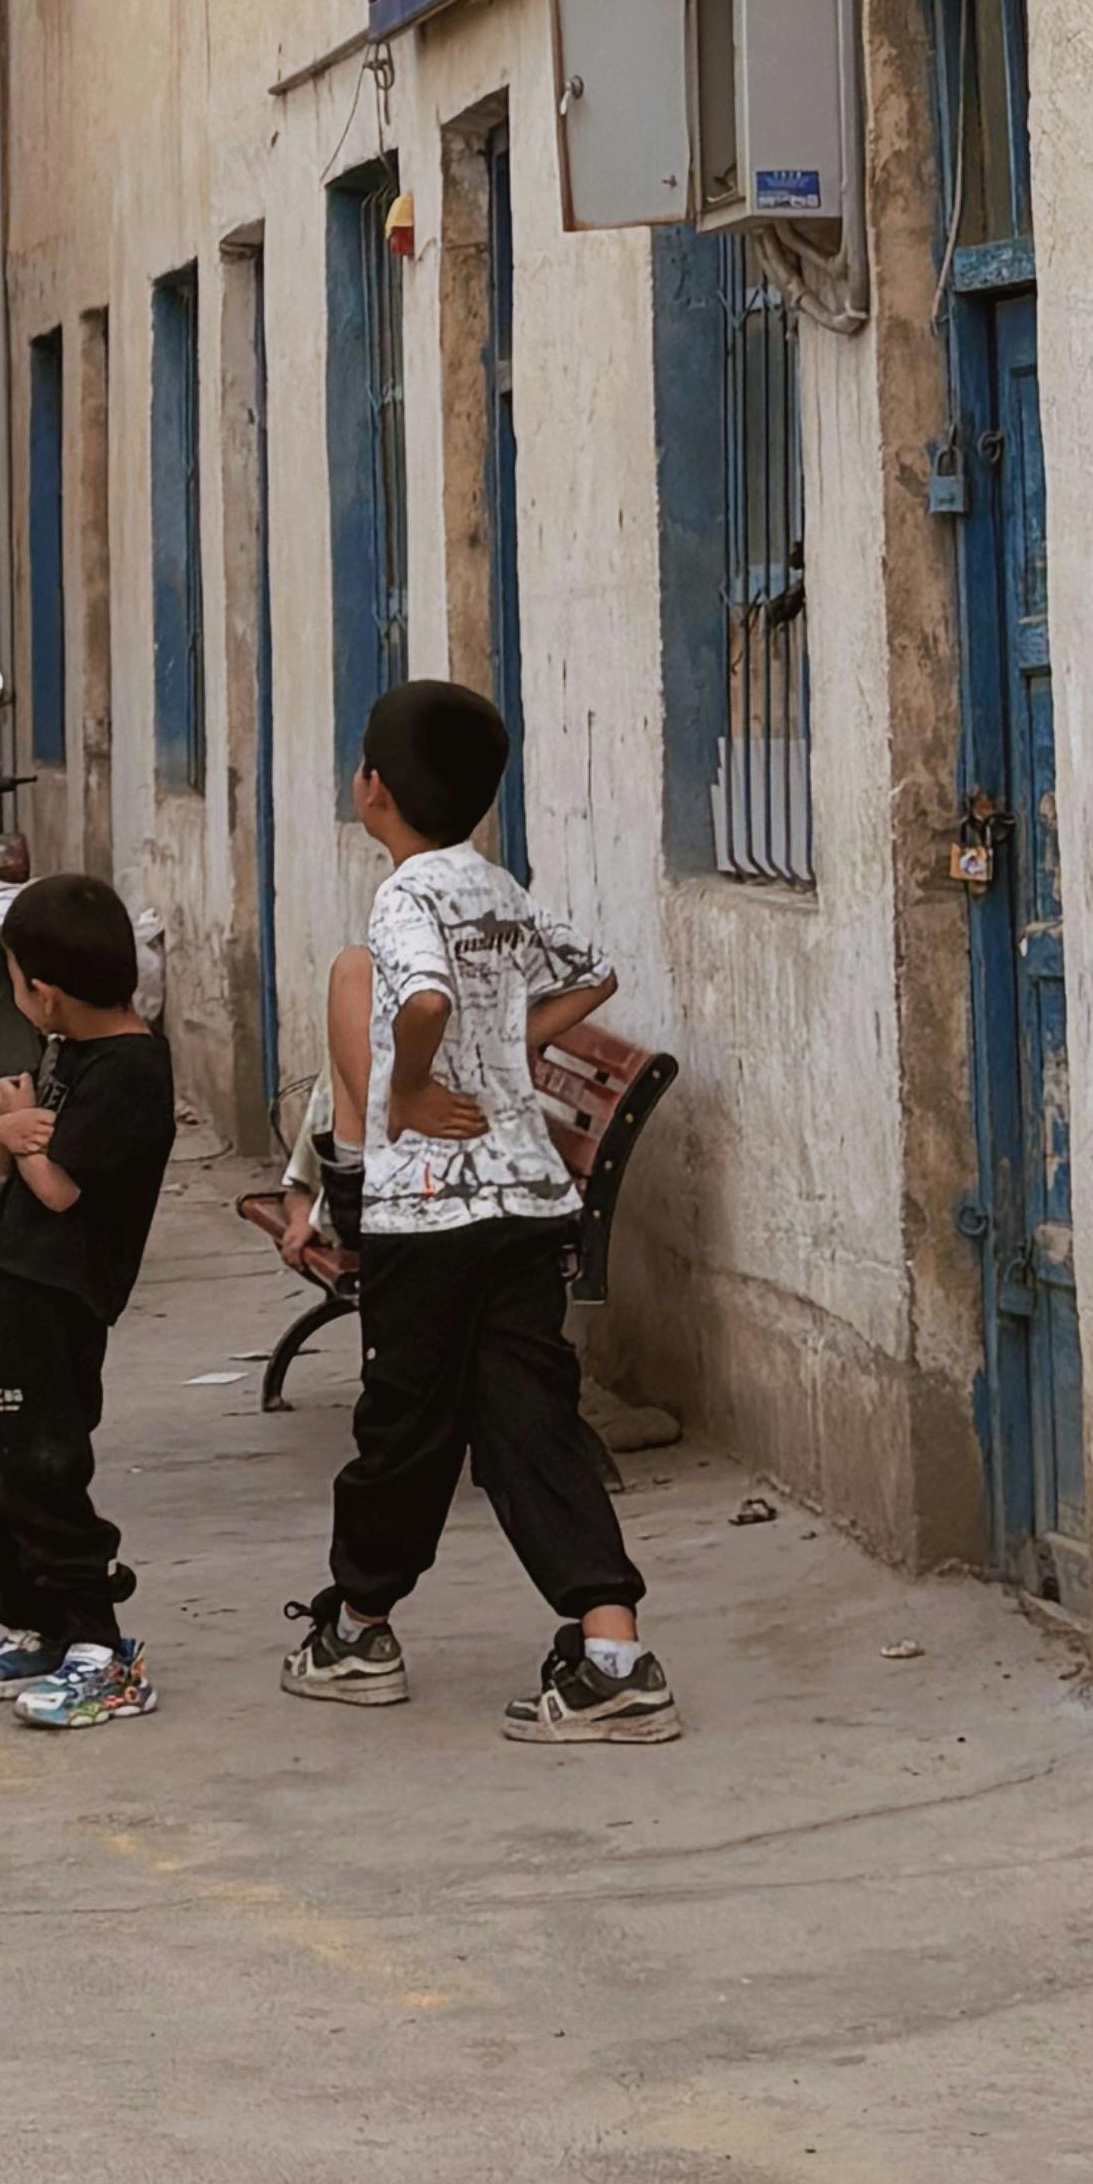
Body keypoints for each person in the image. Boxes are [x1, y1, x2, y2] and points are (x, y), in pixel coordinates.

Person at [284, 680, 673, 1742]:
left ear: (373, 789)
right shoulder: (496, 883)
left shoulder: (406, 898)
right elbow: (593, 970)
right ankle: (611, 1650)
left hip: (429, 1213)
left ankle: (359, 1630)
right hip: (529, 1205)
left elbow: (421, 1001)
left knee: (404, 1427)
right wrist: (515, 1048)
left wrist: (412, 1084)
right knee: (528, 1421)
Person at [0, 875, 177, 1731]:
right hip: (10, 1279)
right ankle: (36, 1625)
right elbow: (18, 1171)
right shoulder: (69, 1047)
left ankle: (102, 1648)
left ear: (50, 992)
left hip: (57, 1298)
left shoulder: (134, 1072)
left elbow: (66, 1188)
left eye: (15, 978)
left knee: (43, 1465)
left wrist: (20, 1133)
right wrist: (6, 1141)